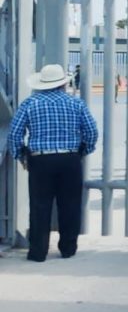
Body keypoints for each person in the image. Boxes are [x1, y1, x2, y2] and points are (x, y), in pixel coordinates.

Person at [7, 64, 98, 261]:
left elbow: (14, 134)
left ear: (41, 84)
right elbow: (91, 132)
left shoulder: (29, 103)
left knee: (40, 205)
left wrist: (21, 156)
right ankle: (68, 248)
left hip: (40, 160)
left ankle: (38, 252)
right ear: (63, 84)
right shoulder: (76, 104)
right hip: (69, 159)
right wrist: (83, 150)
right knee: (70, 205)